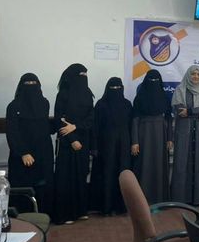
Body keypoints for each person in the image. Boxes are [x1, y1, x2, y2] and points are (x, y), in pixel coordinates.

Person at [5, 73, 54, 215]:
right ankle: (21, 216)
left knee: (43, 184)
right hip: (22, 155)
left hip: (43, 152)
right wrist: (23, 152)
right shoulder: (13, 106)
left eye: (34, 83)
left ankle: (43, 214)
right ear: (21, 87)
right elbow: (12, 132)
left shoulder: (44, 103)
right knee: (22, 185)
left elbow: (43, 126)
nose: (31, 87)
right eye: (28, 84)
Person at [53, 63, 94, 224]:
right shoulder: (63, 94)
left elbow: (91, 118)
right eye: (81, 75)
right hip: (67, 142)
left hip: (83, 140)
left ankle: (80, 211)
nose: (84, 77)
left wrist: (76, 126)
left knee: (81, 175)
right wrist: (73, 139)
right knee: (66, 177)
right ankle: (65, 214)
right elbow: (59, 120)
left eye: (86, 74)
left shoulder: (88, 94)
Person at [131, 69, 173, 205]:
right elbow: (135, 119)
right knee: (145, 165)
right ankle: (143, 200)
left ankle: (160, 199)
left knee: (159, 165)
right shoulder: (140, 98)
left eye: (156, 80)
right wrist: (135, 141)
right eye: (151, 80)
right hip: (144, 134)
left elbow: (168, 118)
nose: (154, 83)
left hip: (161, 134)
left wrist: (170, 138)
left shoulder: (165, 97)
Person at [92, 77, 132, 214]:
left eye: (118, 88)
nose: (115, 90)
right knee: (107, 173)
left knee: (123, 173)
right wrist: (94, 147)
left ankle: (121, 207)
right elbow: (95, 127)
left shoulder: (127, 104)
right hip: (106, 145)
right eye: (113, 88)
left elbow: (131, 125)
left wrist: (133, 143)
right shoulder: (101, 104)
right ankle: (106, 206)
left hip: (124, 145)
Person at [171, 65, 199, 205]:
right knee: (181, 162)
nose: (196, 77)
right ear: (188, 75)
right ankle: (180, 198)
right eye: (193, 74)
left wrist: (191, 111)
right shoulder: (180, 89)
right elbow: (179, 110)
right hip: (184, 130)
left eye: (198, 74)